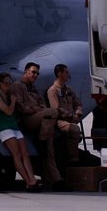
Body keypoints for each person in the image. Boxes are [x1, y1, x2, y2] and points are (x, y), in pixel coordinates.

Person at [8, 62, 65, 190]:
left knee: (48, 148)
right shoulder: (18, 86)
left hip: (41, 121)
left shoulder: (33, 87)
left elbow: (42, 104)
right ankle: (42, 139)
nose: (35, 75)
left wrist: (37, 109)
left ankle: (55, 179)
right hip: (27, 120)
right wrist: (36, 109)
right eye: (33, 72)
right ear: (26, 72)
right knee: (53, 111)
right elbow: (22, 108)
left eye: (37, 73)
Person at [0, 72, 40, 192]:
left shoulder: (7, 96)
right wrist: (13, 102)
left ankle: (32, 178)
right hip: (4, 127)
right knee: (16, 154)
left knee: (25, 153)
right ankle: (28, 181)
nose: (8, 85)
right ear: (0, 83)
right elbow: (8, 111)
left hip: (13, 126)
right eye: (6, 83)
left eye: (9, 82)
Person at [45, 64, 84, 165]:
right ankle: (73, 159)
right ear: (59, 74)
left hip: (71, 119)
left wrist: (78, 114)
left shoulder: (68, 90)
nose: (68, 74)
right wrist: (70, 116)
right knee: (74, 129)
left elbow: (78, 103)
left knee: (74, 129)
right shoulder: (53, 91)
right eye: (66, 72)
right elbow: (56, 109)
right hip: (59, 121)